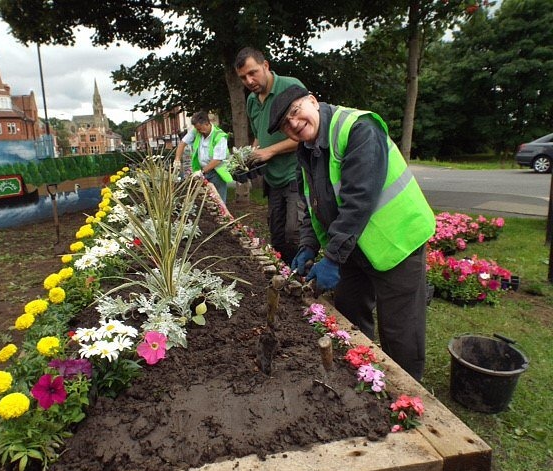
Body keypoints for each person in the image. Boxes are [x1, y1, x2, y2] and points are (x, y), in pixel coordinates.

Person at [268, 85, 435, 381]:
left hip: (397, 240)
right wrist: (307, 245)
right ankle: (366, 377)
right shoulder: (306, 151)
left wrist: (331, 259)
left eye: (295, 112)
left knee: (399, 329)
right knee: (349, 312)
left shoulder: (358, 129)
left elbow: (359, 201)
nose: (293, 123)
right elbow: (312, 203)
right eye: (285, 124)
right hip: (354, 247)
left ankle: (409, 394)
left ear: (313, 101)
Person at [234, 47, 306, 265]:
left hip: (296, 174)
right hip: (272, 179)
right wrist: (248, 158)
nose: (249, 80)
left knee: (295, 234)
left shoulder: (291, 87)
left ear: (265, 65)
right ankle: (285, 279)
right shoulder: (252, 102)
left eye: (253, 72)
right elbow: (259, 138)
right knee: (277, 237)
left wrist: (270, 151)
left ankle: (302, 278)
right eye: (243, 77)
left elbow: (307, 134)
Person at [174, 111, 233, 204]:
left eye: (200, 129)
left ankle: (224, 218)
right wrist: (177, 159)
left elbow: (217, 160)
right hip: (203, 171)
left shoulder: (220, 136)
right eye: (197, 129)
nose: (198, 131)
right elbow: (182, 143)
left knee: (219, 202)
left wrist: (201, 172)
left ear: (207, 123)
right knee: (206, 202)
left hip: (217, 173)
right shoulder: (196, 131)